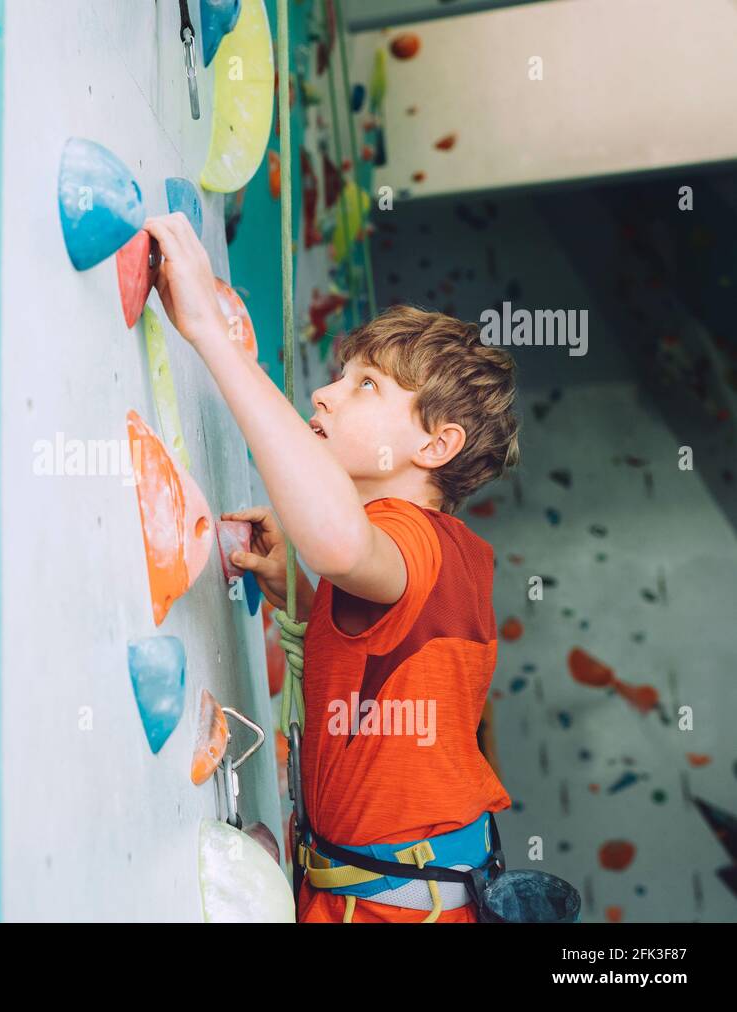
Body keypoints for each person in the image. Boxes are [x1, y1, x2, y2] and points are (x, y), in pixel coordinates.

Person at [144, 213, 519, 922]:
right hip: (391, 892)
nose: (325, 393)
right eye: (342, 377)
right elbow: (384, 640)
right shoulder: (450, 552)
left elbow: (344, 546)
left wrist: (212, 337)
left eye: (367, 386)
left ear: (436, 446)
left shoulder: (408, 537)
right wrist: (307, 596)